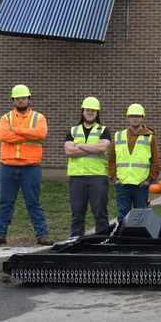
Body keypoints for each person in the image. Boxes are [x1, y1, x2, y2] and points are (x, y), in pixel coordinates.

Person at [0, 84, 52, 246]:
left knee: (33, 202)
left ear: (29, 99)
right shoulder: (5, 118)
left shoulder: (39, 117)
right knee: (5, 201)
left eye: (24, 98)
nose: (21, 101)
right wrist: (28, 133)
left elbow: (41, 134)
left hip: (31, 167)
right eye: (17, 99)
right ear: (13, 101)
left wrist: (16, 130)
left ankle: (42, 235)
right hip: (7, 167)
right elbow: (2, 135)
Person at [63, 96, 111, 237]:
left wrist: (79, 146)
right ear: (82, 111)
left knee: (100, 213)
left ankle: (103, 241)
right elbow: (68, 151)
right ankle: (76, 241)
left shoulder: (103, 130)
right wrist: (92, 147)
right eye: (87, 110)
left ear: (97, 113)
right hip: (77, 177)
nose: (90, 113)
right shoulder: (73, 130)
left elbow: (102, 148)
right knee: (77, 213)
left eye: (93, 110)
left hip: (97, 177)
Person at [109, 104, 159, 223]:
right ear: (128, 118)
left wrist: (149, 180)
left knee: (141, 218)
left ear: (143, 118)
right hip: (123, 185)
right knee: (122, 218)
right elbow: (112, 160)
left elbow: (155, 161)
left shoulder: (150, 137)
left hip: (140, 186)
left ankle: (139, 241)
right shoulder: (119, 135)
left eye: (137, 116)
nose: (134, 118)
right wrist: (115, 178)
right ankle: (122, 241)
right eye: (131, 116)